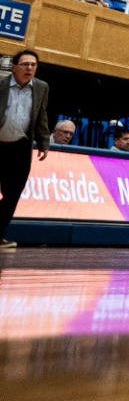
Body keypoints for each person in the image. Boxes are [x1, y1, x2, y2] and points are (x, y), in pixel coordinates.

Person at [0, 50, 52, 252]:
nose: (29, 68)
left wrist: (44, 141)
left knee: (13, 192)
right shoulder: (2, 85)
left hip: (21, 146)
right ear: (14, 67)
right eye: (25, 64)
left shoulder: (41, 87)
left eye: (33, 65)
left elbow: (42, 115)